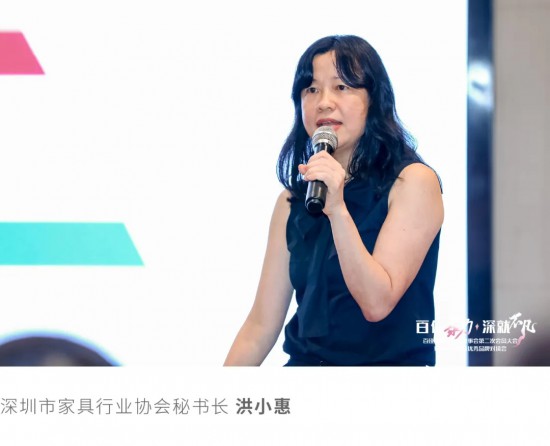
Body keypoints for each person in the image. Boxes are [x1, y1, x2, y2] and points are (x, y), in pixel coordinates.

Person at [224, 35, 443, 366]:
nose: (324, 102)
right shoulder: (292, 201)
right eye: (311, 89)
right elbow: (260, 327)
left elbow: (377, 303)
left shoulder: (412, 182)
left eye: (341, 87)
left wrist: (338, 209)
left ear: (374, 100)